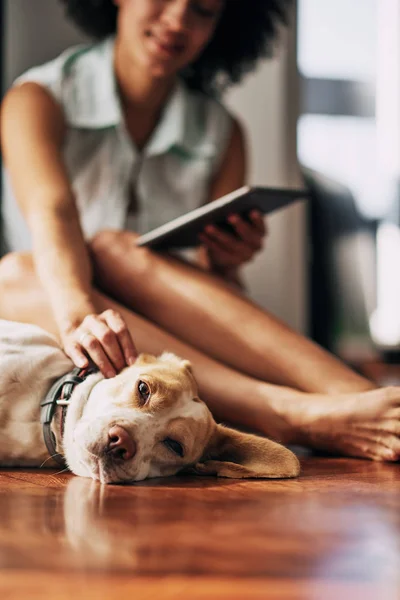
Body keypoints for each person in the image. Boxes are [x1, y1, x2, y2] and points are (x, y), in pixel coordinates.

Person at [0, 0, 399, 463]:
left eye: (204, 10)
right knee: (30, 266)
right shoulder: (36, 99)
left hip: (160, 339)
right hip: (42, 307)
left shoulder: (221, 131)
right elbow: (53, 211)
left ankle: (357, 393)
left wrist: (226, 261)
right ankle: (286, 411)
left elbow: (217, 296)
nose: (178, 21)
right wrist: (79, 315)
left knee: (116, 250)